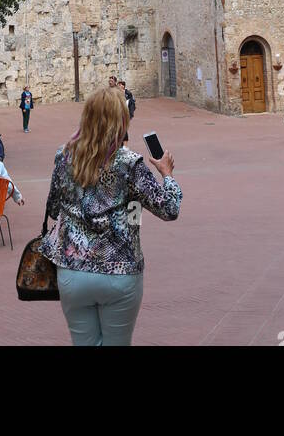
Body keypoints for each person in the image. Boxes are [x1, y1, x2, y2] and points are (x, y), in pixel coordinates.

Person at [40, 87, 181, 347]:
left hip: (73, 271)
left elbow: (52, 206)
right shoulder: (129, 163)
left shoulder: (64, 155)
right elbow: (169, 209)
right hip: (120, 271)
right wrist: (167, 174)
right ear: (121, 122)